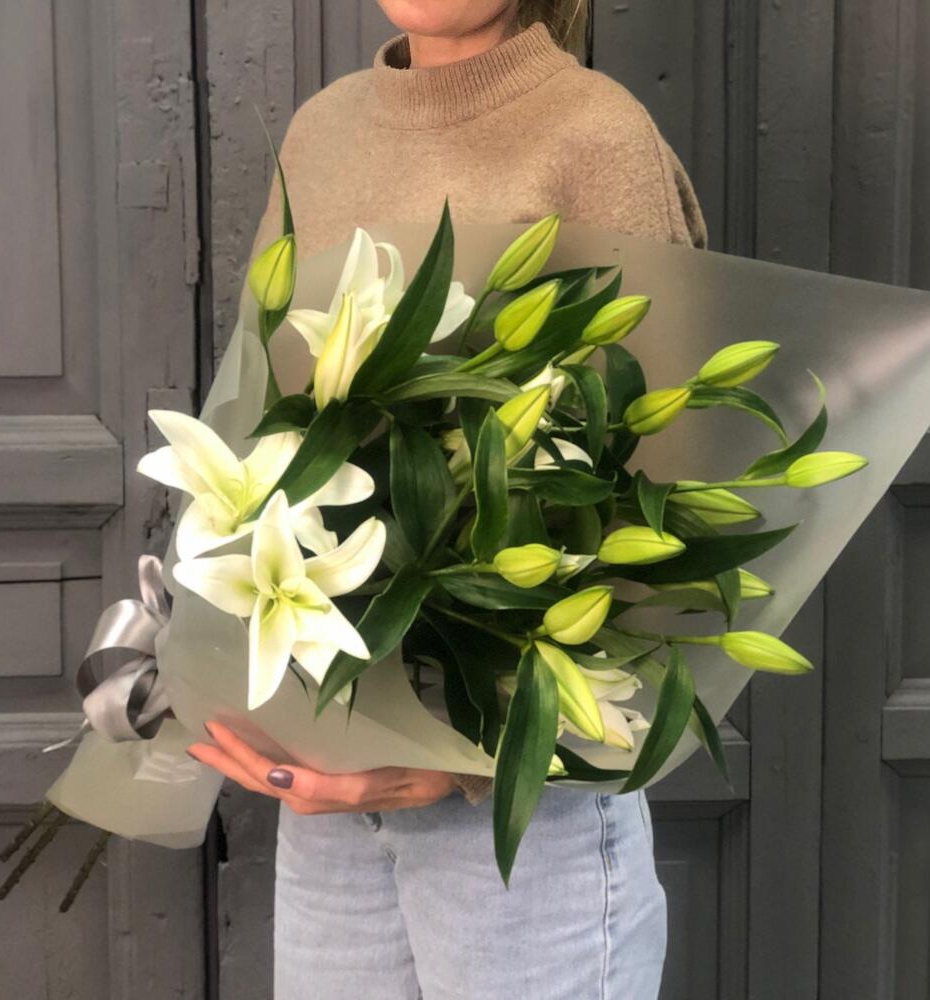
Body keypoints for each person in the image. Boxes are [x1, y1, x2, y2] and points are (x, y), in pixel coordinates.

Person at [187, 3, 707, 997]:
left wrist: (469, 765)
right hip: (332, 784)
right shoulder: (323, 130)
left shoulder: (596, 134)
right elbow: (264, 421)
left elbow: (668, 485)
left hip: (517, 801)